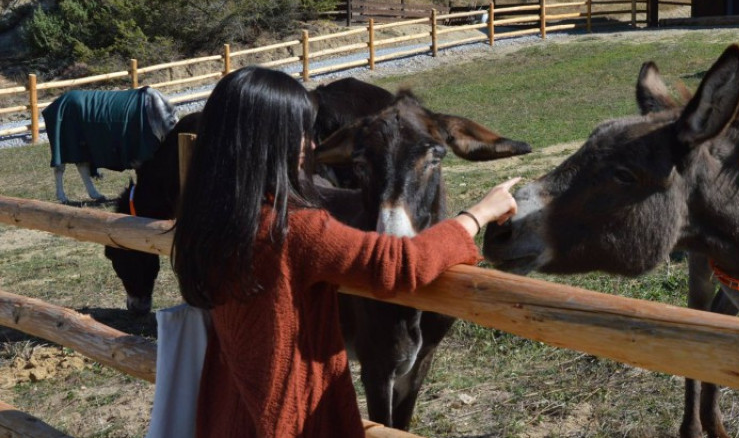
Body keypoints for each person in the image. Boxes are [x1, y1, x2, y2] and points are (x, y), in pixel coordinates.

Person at [171, 66, 520, 437]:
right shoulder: (296, 230)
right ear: (270, 142)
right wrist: (478, 214)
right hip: (293, 421)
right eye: (301, 133)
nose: (310, 146)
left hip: (225, 412)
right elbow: (400, 264)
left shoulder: (206, 222)